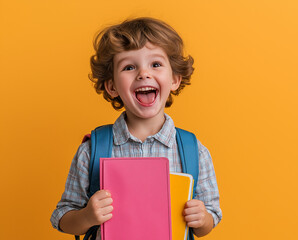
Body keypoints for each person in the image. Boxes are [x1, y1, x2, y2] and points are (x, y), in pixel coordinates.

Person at [50, 17, 222, 239]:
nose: (143, 74)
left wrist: (202, 218)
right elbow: (62, 217)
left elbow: (210, 218)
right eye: (129, 67)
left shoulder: (194, 151)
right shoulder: (91, 150)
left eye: (156, 64)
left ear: (175, 79)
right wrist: (87, 217)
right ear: (111, 86)